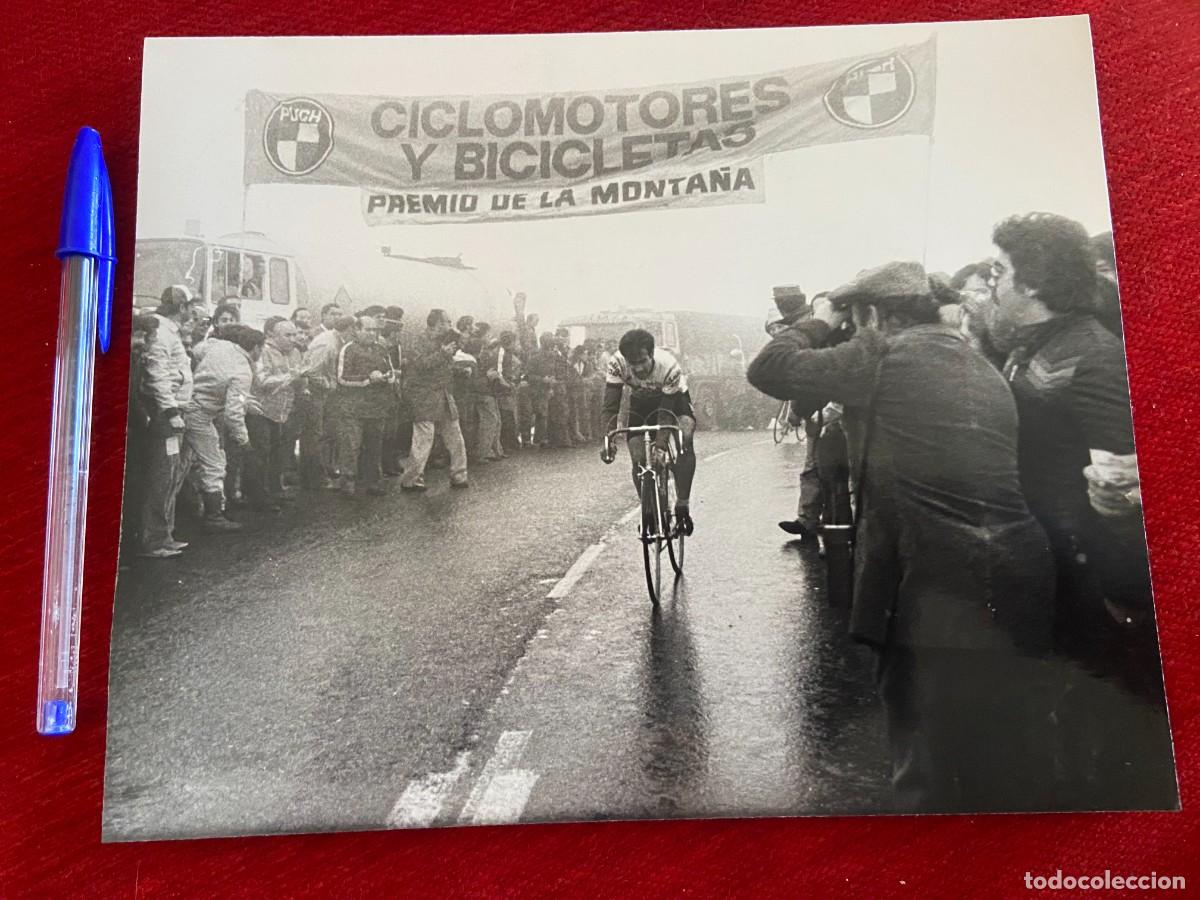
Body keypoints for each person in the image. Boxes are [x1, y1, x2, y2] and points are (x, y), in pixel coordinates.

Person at [747, 260, 1060, 813]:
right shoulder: (974, 357)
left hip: (935, 592)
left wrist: (819, 320)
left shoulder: (884, 354)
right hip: (1017, 581)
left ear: (873, 314)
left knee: (928, 777)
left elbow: (770, 368)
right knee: (1003, 775)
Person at [986, 213, 1173, 809]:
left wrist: (1119, 534)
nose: (993, 285)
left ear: (1034, 283)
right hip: (1056, 554)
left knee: (1107, 703)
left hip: (1092, 565)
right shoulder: (1039, 343)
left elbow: (1128, 468)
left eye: (1000, 272)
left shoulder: (1090, 353)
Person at [601, 328, 696, 536]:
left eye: (643, 361)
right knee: (638, 458)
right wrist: (608, 439)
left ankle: (682, 506)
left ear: (651, 354)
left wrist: (661, 445)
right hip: (642, 401)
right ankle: (649, 511)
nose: (639, 368)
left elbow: (665, 413)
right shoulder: (616, 364)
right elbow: (611, 406)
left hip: (673, 400)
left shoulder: (668, 365)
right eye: (633, 363)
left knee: (685, 437)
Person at [183, 325, 264, 531]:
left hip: (187, 404)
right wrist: (244, 441)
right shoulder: (243, 371)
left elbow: (198, 351)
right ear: (256, 348)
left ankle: (189, 512)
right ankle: (214, 517)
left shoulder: (220, 346)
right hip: (199, 414)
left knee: (183, 464)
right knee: (215, 463)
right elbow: (233, 415)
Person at [137, 286, 195, 558]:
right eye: (189, 307)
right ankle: (155, 539)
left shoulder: (169, 330)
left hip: (174, 409)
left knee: (171, 473)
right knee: (163, 473)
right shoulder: (161, 331)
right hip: (166, 413)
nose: (192, 313)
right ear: (181, 307)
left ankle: (165, 534)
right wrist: (171, 410)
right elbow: (157, 372)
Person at [401, 312, 469, 492]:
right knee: (423, 439)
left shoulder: (443, 341)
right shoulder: (419, 341)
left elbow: (443, 366)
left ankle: (459, 475)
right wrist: (442, 354)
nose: (450, 325)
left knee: (455, 436)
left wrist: (459, 370)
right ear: (437, 324)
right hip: (423, 396)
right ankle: (412, 479)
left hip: (444, 394)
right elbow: (419, 366)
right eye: (448, 321)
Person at [331, 315, 395, 495]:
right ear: (357, 330)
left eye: (375, 330)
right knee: (351, 446)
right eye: (368, 330)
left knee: (374, 446)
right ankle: (348, 482)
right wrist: (368, 379)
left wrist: (384, 377)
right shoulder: (348, 350)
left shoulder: (382, 349)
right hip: (353, 409)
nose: (372, 334)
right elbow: (341, 378)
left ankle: (373, 481)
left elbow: (392, 374)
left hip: (377, 408)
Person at [245, 317, 303, 508]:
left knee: (279, 451)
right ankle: (258, 496)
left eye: (294, 334)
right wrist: (289, 377)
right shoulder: (264, 352)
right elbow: (261, 381)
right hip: (261, 410)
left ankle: (276, 489)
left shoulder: (295, 353)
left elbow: (299, 376)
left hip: (282, 411)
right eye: (288, 335)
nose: (293, 339)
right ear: (272, 335)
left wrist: (303, 382)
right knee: (261, 453)